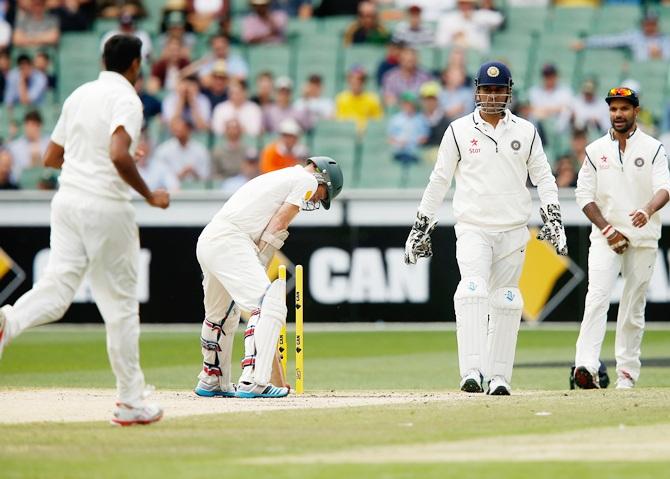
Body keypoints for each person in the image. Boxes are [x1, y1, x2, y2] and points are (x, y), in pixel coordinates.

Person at [0, 35, 170, 425]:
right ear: (135, 65)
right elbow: (115, 154)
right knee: (121, 307)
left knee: (57, 289)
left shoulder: (79, 94)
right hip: (106, 208)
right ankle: (130, 401)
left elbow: (51, 156)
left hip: (66, 203)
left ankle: (6, 322)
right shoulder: (127, 98)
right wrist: (149, 195)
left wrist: (115, 157)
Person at [404, 61, 567, 396]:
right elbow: (439, 181)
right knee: (473, 290)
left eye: (499, 90)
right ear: (477, 91)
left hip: (514, 230)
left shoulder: (526, 130)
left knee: (506, 300)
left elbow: (545, 178)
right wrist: (422, 224)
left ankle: (499, 377)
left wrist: (553, 216)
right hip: (473, 227)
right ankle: (472, 372)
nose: (493, 96)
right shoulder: (458, 131)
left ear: (509, 92)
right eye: (487, 90)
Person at [193, 156, 343, 398]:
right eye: (323, 194)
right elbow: (278, 223)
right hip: (232, 240)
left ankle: (213, 379)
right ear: (321, 177)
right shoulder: (306, 180)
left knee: (221, 315)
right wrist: (259, 261)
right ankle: (254, 381)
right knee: (270, 303)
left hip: (210, 239)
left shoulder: (283, 176)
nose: (316, 198)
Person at [572, 87, 670, 390]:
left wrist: (647, 209)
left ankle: (626, 372)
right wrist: (607, 229)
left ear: (635, 112)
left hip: (643, 237)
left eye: (624, 109)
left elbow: (664, 188)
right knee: (597, 297)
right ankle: (585, 365)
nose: (618, 114)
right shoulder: (595, 150)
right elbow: (583, 195)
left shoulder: (653, 148)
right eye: (613, 109)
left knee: (632, 305)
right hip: (605, 236)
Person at [573, 11, 670, 62]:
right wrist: (586, 42)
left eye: (653, 23)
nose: (650, 26)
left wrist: (660, 56)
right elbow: (610, 41)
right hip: (639, 72)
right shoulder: (635, 36)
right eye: (647, 23)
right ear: (642, 23)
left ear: (657, 24)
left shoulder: (665, 39)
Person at [152, 117, 211, 185]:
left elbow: (206, 178)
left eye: (181, 128)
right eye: (175, 129)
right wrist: (180, 175)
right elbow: (159, 178)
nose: (177, 131)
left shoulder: (201, 150)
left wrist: (194, 173)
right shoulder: (163, 150)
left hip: (197, 190)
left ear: (189, 129)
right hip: (172, 191)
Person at [435, 0, 503, 53]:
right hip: (455, 57)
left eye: (468, 3)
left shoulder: (480, 16)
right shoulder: (448, 18)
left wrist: (473, 18)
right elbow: (440, 43)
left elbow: (498, 19)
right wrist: (453, 36)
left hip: (477, 56)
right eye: (463, 3)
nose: (465, 6)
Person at [335, 65, 383, 132]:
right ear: (349, 80)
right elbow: (339, 121)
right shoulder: (341, 98)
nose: (356, 82)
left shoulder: (373, 99)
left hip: (367, 134)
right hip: (346, 133)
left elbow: (377, 122)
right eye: (352, 78)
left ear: (364, 81)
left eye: (360, 79)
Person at [388, 90, 429, 166]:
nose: (408, 106)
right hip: (398, 151)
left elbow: (424, 138)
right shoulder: (395, 119)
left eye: (410, 103)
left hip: (415, 152)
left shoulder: (421, 119)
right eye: (406, 103)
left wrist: (411, 142)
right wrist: (400, 143)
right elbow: (391, 139)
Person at [8, 110, 50, 183]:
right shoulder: (15, 146)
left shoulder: (49, 144)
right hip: (22, 186)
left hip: (45, 186)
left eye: (33, 125)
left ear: (39, 126)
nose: (29, 128)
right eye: (27, 124)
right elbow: (14, 173)